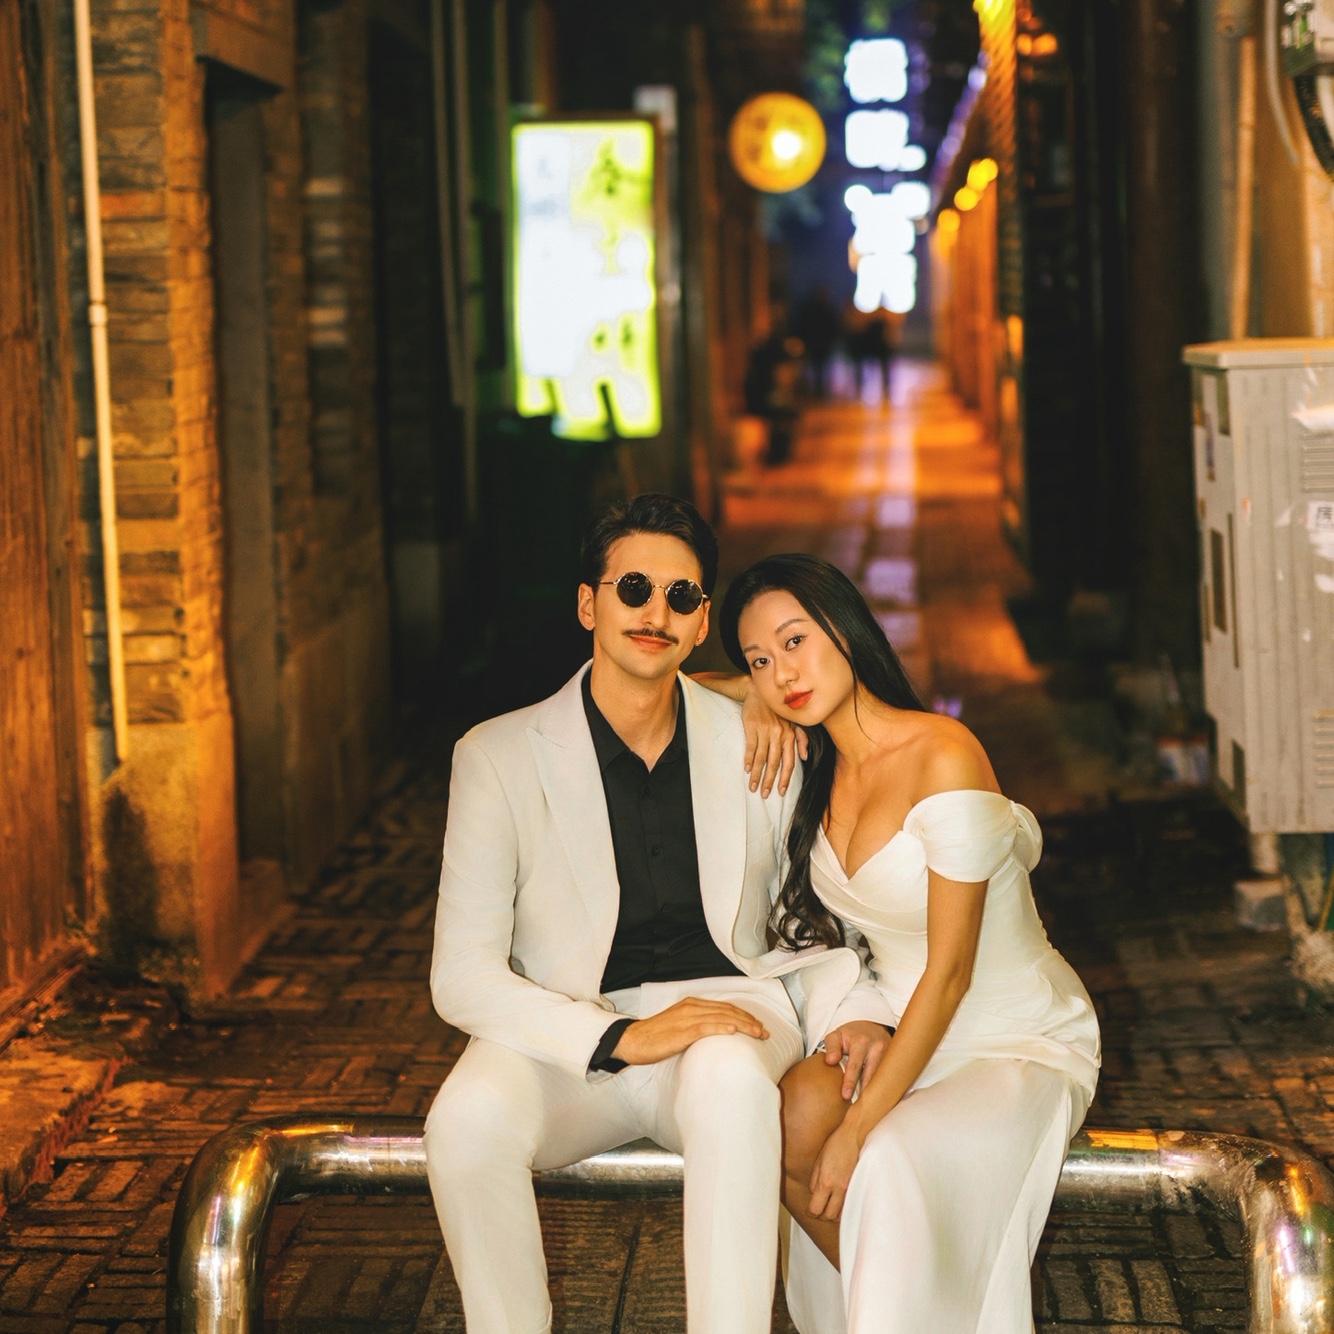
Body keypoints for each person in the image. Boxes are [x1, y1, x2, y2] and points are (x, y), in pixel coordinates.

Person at [424, 496, 878, 1333]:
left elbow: (817, 906)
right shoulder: (496, 755)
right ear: (588, 605)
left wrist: (857, 1011)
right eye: (633, 588)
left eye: (681, 596)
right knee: (463, 1122)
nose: (654, 613)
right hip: (569, 1031)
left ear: (702, 623)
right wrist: (617, 1037)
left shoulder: (759, 738)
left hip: (728, 1009)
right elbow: (461, 976)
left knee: (732, 1085)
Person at [719, 553, 1101, 1334]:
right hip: (900, 1026)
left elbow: (951, 972)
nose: (782, 673)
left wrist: (859, 1126)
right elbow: (668, 685)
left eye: (795, 641)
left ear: (844, 628)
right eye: (758, 659)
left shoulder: (943, 754)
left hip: (1012, 1036)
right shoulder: (817, 767)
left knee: (886, 1158)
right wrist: (750, 697)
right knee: (783, 1124)